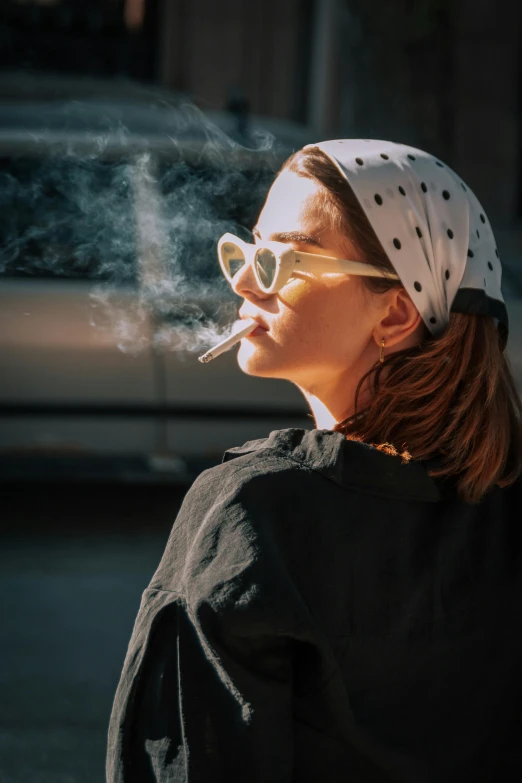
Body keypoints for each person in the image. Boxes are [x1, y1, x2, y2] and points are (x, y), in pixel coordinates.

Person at [106, 139, 522, 782]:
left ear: (396, 311)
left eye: (280, 257)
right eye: (245, 249)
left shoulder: (256, 513)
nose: (243, 279)